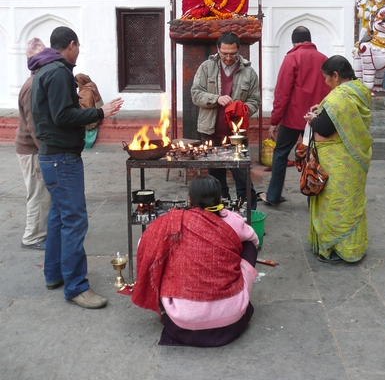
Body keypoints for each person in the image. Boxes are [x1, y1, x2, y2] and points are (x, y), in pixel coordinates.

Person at [30, 26, 123, 308]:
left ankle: (55, 273)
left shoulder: (43, 70)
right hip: (61, 158)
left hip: (52, 155)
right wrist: (99, 112)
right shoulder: (57, 72)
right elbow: (63, 115)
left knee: (59, 217)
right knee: (74, 222)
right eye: (78, 46)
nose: (78, 51)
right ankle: (76, 287)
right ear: (71, 45)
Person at [132, 175, 258, 347]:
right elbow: (254, 239)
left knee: (159, 253)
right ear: (220, 198)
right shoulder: (232, 219)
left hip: (181, 323)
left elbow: (143, 245)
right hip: (231, 321)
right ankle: (234, 295)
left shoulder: (173, 221)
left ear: (190, 200)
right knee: (249, 245)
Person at [304, 55, 372, 264]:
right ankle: (353, 247)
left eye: (326, 78)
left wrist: (314, 119)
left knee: (336, 204)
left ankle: (335, 248)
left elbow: (324, 128)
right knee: (352, 203)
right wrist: (323, 112)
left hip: (339, 162)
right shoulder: (360, 90)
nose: (325, 83)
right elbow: (340, 118)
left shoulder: (339, 97)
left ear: (335, 75)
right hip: (354, 161)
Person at [259, 27, 329, 206]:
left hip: (293, 118)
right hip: (316, 118)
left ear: (294, 43)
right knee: (313, 156)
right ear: (310, 40)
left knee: (281, 153)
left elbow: (282, 92)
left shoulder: (292, 58)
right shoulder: (324, 60)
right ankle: (312, 197)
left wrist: (274, 121)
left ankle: (273, 195)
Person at [191, 32, 260, 209]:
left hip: (237, 134)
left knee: (242, 175)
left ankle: (248, 217)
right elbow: (195, 94)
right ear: (218, 50)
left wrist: (243, 109)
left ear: (238, 50)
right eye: (224, 54)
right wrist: (216, 98)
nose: (228, 58)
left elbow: (255, 101)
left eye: (232, 54)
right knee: (215, 179)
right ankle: (220, 216)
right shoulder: (207, 67)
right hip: (210, 132)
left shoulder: (249, 72)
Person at [15, 37, 51, 251]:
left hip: (32, 148)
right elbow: (34, 125)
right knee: (37, 193)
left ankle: (41, 231)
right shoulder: (32, 87)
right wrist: (45, 151)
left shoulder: (36, 82)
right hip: (31, 149)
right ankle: (33, 236)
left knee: (42, 192)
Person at [75, 73, 104, 149]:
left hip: (90, 117)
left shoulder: (86, 91)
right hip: (94, 114)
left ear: (81, 81)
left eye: (77, 82)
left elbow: (86, 105)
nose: (77, 84)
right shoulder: (90, 86)